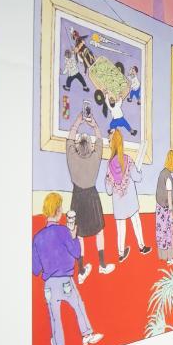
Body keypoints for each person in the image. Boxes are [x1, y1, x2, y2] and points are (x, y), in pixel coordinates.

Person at [32, 192, 103, 345]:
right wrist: (73, 236)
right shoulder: (63, 231)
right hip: (65, 280)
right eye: (61, 208)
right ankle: (87, 335)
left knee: (54, 317)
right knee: (78, 305)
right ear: (57, 211)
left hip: (49, 285)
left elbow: (36, 269)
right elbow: (77, 253)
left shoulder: (37, 238)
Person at [65, 113, 113, 278]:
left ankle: (81, 271)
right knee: (99, 232)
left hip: (77, 198)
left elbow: (69, 139)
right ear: (90, 147)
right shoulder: (95, 157)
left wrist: (78, 121)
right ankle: (102, 265)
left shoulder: (71, 157)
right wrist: (94, 125)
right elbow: (100, 141)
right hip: (92, 198)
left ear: (77, 146)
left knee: (79, 235)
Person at [104, 129, 149, 262]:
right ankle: (142, 247)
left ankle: (121, 253)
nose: (108, 143)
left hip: (118, 203)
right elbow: (138, 178)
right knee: (136, 222)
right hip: (131, 200)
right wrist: (139, 171)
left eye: (109, 141)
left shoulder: (109, 166)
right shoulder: (128, 160)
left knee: (120, 228)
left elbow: (109, 191)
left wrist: (108, 181)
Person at [155, 149, 173, 266]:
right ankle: (169, 257)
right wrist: (171, 212)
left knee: (161, 232)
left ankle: (163, 255)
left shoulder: (162, 173)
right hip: (166, 209)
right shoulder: (168, 177)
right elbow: (169, 195)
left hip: (159, 207)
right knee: (169, 232)